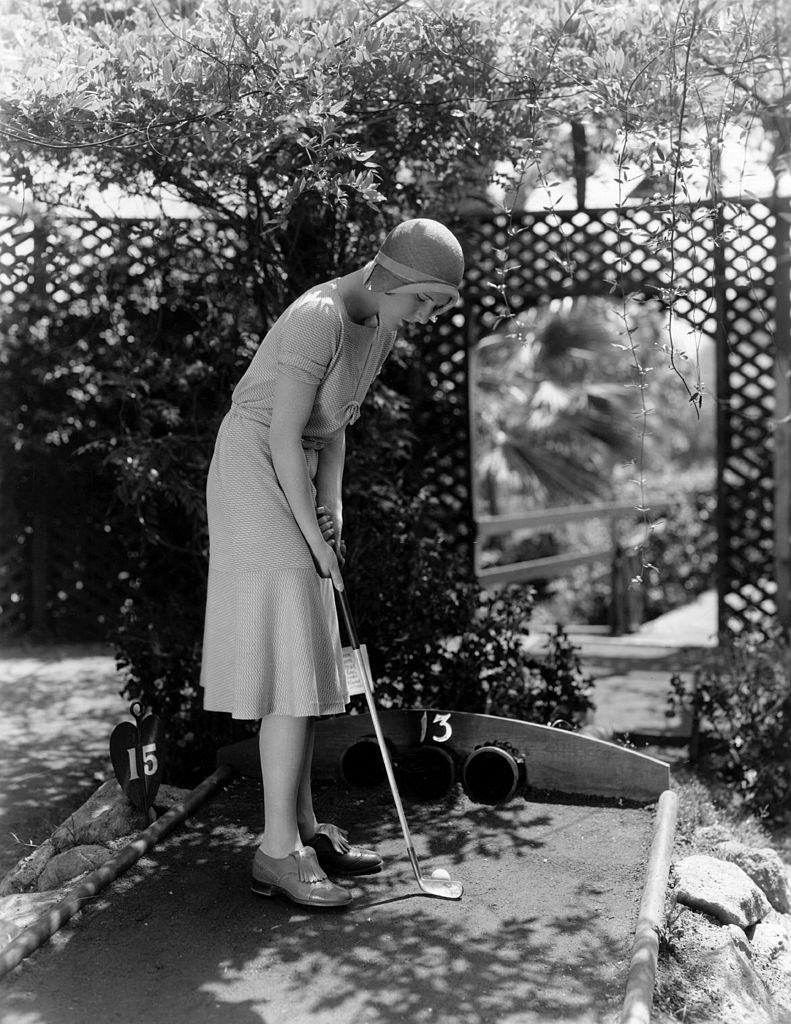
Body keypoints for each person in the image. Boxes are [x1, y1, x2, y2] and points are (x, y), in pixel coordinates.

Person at [200, 217, 464, 909]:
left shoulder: (380, 324)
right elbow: (283, 436)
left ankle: (305, 828)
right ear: (388, 278)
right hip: (256, 467)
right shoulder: (317, 318)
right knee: (291, 650)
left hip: (300, 465)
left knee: (309, 649)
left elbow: (334, 426)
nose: (426, 316)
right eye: (424, 301)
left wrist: (333, 509)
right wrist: (311, 541)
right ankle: (274, 852)